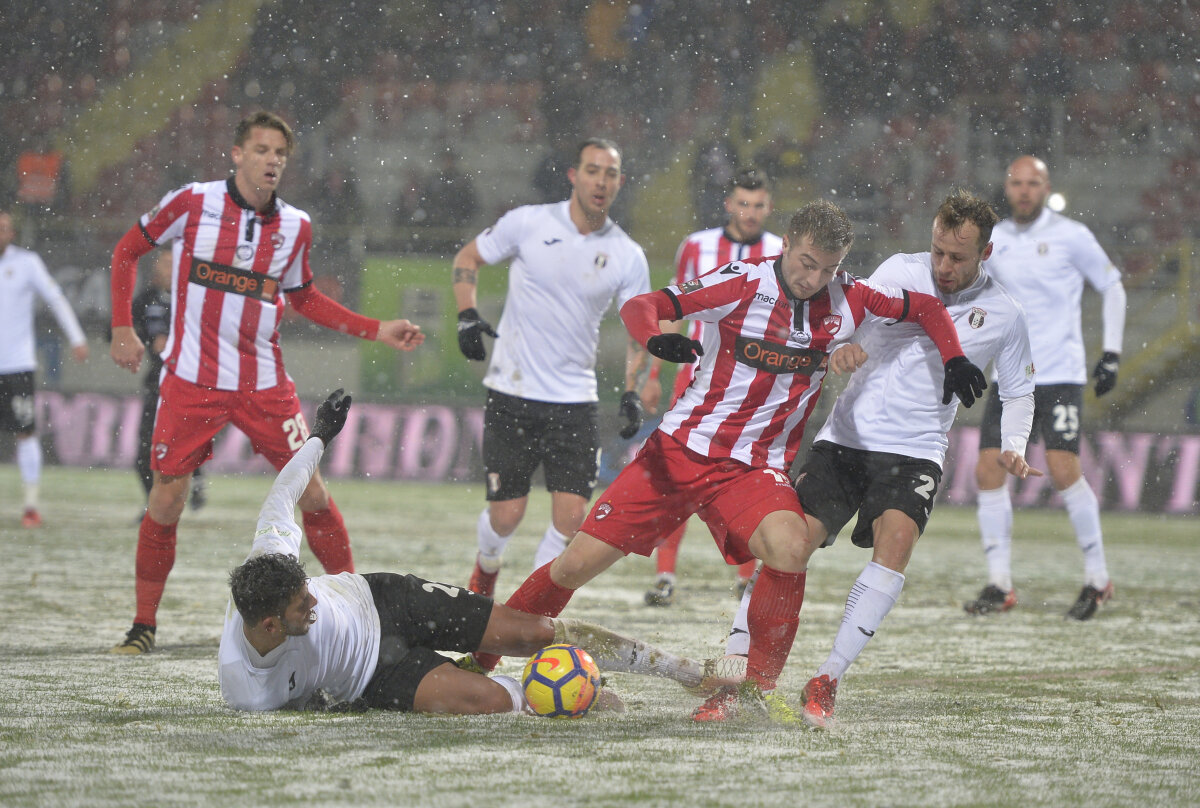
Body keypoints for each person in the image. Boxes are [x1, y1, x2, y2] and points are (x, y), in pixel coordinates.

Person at [469, 200, 988, 721]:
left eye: (828, 268)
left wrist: (955, 357)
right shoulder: (743, 282)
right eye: (808, 263)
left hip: (751, 469)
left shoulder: (850, 296)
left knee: (789, 546)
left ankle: (756, 688)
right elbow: (645, 305)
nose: (816, 278)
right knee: (572, 565)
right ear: (786, 244)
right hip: (679, 452)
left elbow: (924, 307)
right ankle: (480, 660)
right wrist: (655, 337)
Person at [717, 190, 1039, 727]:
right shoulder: (899, 272)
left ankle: (828, 679)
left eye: (958, 257)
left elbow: (1021, 390)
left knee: (895, 547)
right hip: (847, 439)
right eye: (937, 251)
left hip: (916, 453)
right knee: (785, 545)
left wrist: (1014, 445)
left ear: (986, 252)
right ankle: (734, 676)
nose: (943, 266)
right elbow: (849, 320)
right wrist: (842, 349)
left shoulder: (1006, 313)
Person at [108, 111, 425, 655]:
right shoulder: (192, 203)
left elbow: (303, 297)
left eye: (280, 152)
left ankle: (362, 610)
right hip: (191, 380)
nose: (271, 160)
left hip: (264, 383)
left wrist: (376, 329)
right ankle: (143, 626)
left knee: (314, 492)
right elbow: (126, 251)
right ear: (236, 153)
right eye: (261, 150)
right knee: (166, 500)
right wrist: (121, 326)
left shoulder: (295, 226)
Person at [221, 389, 743, 714]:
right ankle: (576, 696)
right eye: (300, 607)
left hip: (383, 599)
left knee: (532, 632)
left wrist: (318, 438)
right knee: (490, 702)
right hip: (376, 676)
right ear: (269, 626)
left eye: (307, 591)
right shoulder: (249, 693)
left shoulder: (273, 568)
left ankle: (688, 673)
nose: (313, 600)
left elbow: (282, 495)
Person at [453, 137, 651, 599]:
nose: (601, 181)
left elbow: (640, 329)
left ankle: (527, 609)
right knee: (507, 516)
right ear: (574, 175)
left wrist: (632, 390)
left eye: (611, 173)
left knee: (571, 521)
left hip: (574, 400)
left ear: (620, 182)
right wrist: (466, 313)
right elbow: (469, 257)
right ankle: (487, 566)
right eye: (593, 170)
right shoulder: (529, 222)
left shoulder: (627, 254)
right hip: (512, 391)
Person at [965, 156, 1127, 621]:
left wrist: (1111, 353)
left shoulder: (1071, 236)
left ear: (1046, 187)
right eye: (1016, 183)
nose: (1023, 191)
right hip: (1011, 377)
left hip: (1058, 374)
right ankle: (1000, 584)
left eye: (1032, 183)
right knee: (988, 471)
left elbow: (1112, 286)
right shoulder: (992, 240)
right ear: (1007, 186)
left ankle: (1097, 579)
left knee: (1062, 470)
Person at [643, 167, 783, 608]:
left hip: (755, 387)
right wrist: (652, 375)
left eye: (758, 205)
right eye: (743, 203)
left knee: (744, 478)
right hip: (696, 379)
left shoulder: (781, 250)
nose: (750, 213)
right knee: (674, 479)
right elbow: (672, 312)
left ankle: (747, 577)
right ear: (728, 203)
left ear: (769, 207)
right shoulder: (697, 246)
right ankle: (665, 575)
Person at [0, 208, 89, 527]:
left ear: (12, 234)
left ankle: (30, 506)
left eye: (5, 228)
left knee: (25, 433)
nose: (1, 232)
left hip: (16, 366)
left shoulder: (26, 264)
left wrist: (77, 337)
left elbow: (56, 299)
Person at [131, 250, 204, 516]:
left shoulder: (196, 298)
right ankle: (154, 500)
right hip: (158, 382)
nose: (170, 268)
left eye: (175, 263)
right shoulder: (145, 300)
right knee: (144, 450)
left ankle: (195, 479)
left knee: (187, 441)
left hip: (191, 382)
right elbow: (117, 330)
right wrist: (136, 339)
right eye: (165, 263)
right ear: (155, 268)